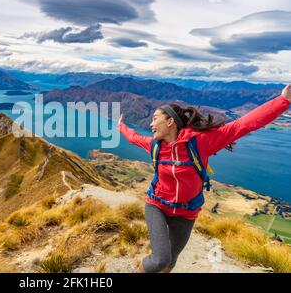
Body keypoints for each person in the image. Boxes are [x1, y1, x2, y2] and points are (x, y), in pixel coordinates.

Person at [117, 84, 291, 273]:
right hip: (157, 205)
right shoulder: (155, 146)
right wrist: (120, 126)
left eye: (155, 119)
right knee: (160, 259)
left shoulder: (200, 143)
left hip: (186, 213)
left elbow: (242, 125)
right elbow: (133, 137)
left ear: (170, 122)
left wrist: (283, 101)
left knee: (171, 262)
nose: (151, 124)